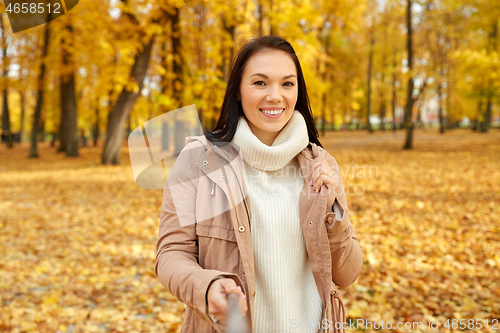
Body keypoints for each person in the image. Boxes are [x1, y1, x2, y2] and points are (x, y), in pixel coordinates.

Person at [155, 35, 363, 333]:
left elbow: (348, 273)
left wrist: (335, 215)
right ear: (238, 91)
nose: (275, 96)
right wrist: (207, 287)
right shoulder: (198, 160)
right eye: (260, 83)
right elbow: (171, 254)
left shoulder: (321, 164)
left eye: (287, 84)